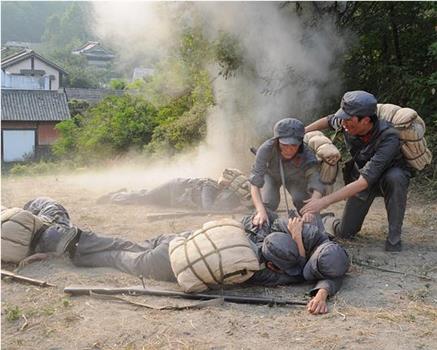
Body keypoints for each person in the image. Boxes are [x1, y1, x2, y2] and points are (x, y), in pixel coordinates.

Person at [15, 197, 349, 315]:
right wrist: (318, 281)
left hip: (177, 241)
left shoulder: (263, 237)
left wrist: (296, 240)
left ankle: (74, 240)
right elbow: (314, 272)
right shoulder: (271, 271)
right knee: (119, 257)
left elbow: (319, 267)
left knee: (127, 246)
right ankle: (71, 244)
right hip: (172, 261)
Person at [302, 91, 412, 252]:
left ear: (366, 120)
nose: (343, 123)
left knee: (395, 177)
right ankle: (330, 220)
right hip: (362, 178)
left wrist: (323, 201)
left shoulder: (389, 137)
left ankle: (394, 238)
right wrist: (302, 131)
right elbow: (327, 120)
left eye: (348, 119)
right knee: (345, 233)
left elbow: (363, 182)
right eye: (343, 118)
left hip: (383, 179)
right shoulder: (347, 122)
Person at [249, 118, 325, 228]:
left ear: (300, 142)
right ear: (277, 140)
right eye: (284, 145)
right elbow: (255, 183)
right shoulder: (265, 149)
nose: (289, 149)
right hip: (270, 176)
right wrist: (260, 211)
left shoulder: (307, 154)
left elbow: (316, 181)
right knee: (268, 202)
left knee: (302, 201)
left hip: (295, 179)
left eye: (294, 145)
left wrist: (313, 204)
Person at [96, 168, 253, 211]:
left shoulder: (215, 189)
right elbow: (207, 208)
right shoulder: (210, 186)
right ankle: (113, 197)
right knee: (144, 198)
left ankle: (124, 192)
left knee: (147, 195)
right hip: (172, 189)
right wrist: (238, 209)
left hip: (174, 197)